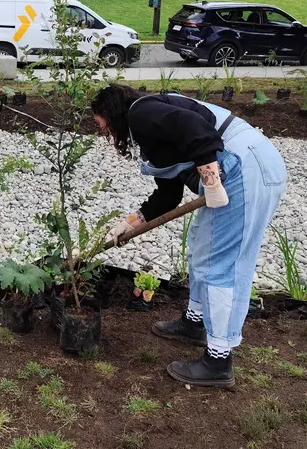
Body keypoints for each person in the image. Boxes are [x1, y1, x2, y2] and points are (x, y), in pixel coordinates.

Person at [91, 84, 287, 388]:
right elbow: (168, 195)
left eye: (101, 124)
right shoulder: (150, 130)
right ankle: (194, 324)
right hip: (239, 167)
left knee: (218, 265)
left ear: (111, 112)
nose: (104, 132)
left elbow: (196, 129)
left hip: (245, 168)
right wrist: (129, 224)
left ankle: (218, 361)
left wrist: (210, 181)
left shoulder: (141, 112)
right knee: (200, 247)